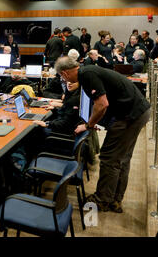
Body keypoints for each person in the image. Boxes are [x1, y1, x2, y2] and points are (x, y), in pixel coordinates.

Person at [55, 56, 150, 213]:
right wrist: (97, 122)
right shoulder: (89, 70)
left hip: (130, 115)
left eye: (61, 76)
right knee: (122, 158)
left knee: (109, 157)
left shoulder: (86, 75)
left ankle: (102, 200)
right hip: (138, 111)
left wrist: (89, 124)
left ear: (64, 73)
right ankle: (115, 200)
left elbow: (102, 104)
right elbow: (106, 100)